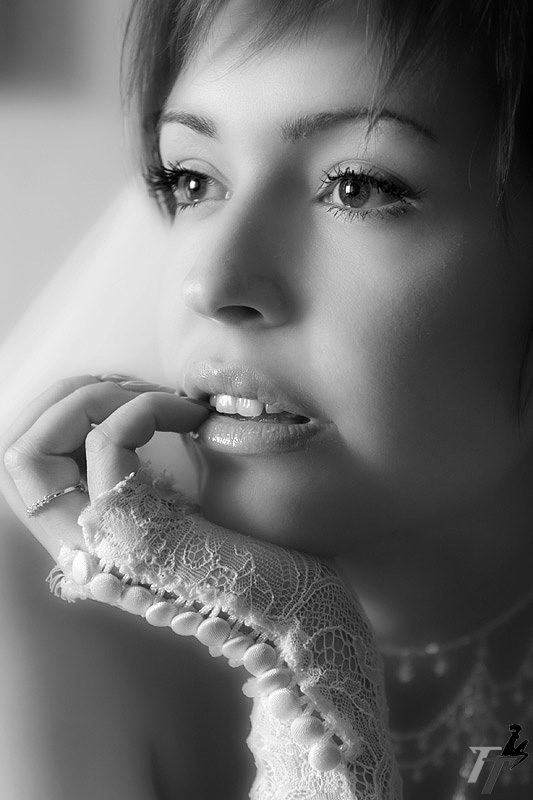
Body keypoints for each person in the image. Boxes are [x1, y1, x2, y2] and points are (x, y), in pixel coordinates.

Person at [1, 0, 532, 798]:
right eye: (191, 178)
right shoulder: (52, 610)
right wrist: (297, 639)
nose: (210, 284)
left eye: (356, 186)